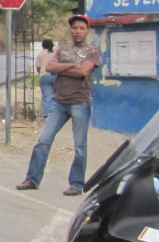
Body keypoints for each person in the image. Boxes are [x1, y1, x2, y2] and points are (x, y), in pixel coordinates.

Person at [16, 14, 101, 196]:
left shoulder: (92, 51)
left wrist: (65, 67)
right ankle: (32, 178)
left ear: (87, 30)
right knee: (43, 140)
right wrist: (73, 67)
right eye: (75, 28)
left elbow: (84, 71)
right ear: (71, 30)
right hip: (59, 103)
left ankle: (76, 184)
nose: (77, 31)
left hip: (80, 102)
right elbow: (50, 68)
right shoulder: (62, 49)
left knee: (79, 146)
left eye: (81, 28)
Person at [35, 38, 56, 118]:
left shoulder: (40, 54)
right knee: (55, 95)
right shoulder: (55, 54)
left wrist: (40, 73)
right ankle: (55, 113)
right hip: (55, 76)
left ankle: (47, 114)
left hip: (44, 76)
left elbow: (38, 67)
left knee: (46, 96)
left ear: (43, 45)